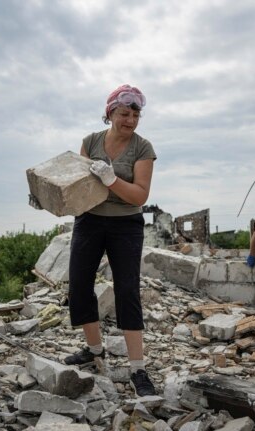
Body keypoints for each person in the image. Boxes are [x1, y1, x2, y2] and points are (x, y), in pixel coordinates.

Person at [64, 84, 157, 397]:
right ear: (110, 113)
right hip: (89, 220)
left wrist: (111, 179)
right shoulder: (91, 142)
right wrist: (50, 197)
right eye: (123, 113)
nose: (129, 120)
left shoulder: (142, 148)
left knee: (127, 289)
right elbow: (77, 186)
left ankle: (138, 368)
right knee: (78, 284)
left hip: (125, 225)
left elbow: (141, 194)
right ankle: (93, 350)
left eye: (134, 114)